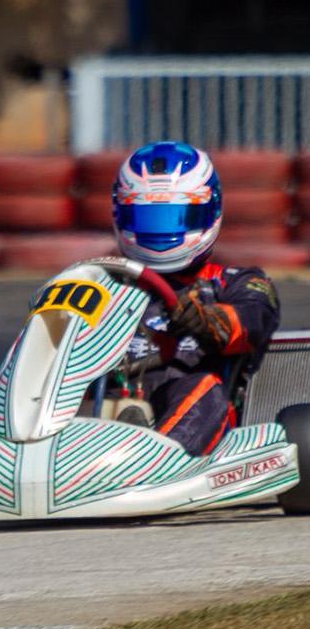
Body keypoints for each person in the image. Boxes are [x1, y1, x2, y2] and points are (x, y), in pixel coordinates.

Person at [113, 141, 280, 454]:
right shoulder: (104, 283)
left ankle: (152, 459)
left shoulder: (237, 283)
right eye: (149, 219)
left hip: (194, 411)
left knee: (205, 388)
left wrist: (207, 320)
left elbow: (252, 321)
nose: (161, 232)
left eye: (177, 217)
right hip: (104, 405)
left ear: (209, 211)